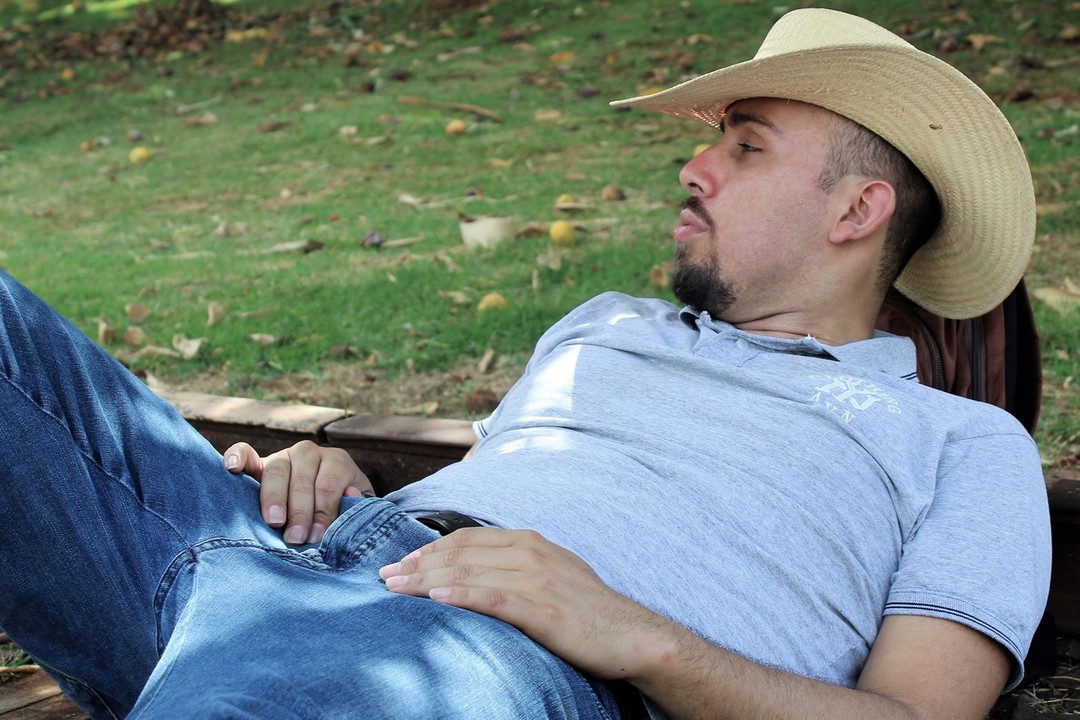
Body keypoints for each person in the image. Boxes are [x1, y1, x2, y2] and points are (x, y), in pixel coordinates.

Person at [0, 8, 1050, 720]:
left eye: (746, 144)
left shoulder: (961, 443)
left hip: (479, 653)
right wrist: (341, 482)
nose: (694, 166)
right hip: (271, 549)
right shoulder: (607, 327)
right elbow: (520, 485)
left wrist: (642, 640)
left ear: (858, 210)